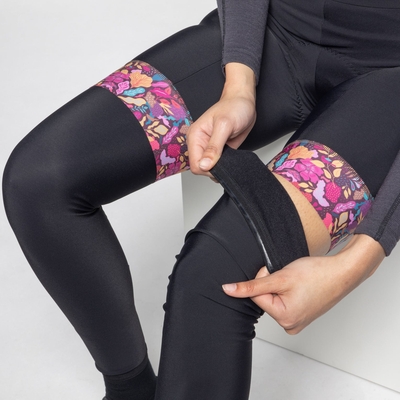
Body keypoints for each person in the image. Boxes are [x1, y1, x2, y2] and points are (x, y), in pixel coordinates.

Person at [3, 0, 400, 399]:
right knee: (37, 182)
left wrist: (359, 261)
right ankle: (131, 391)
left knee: (214, 276)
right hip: (276, 34)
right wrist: (239, 85)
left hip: (391, 78)